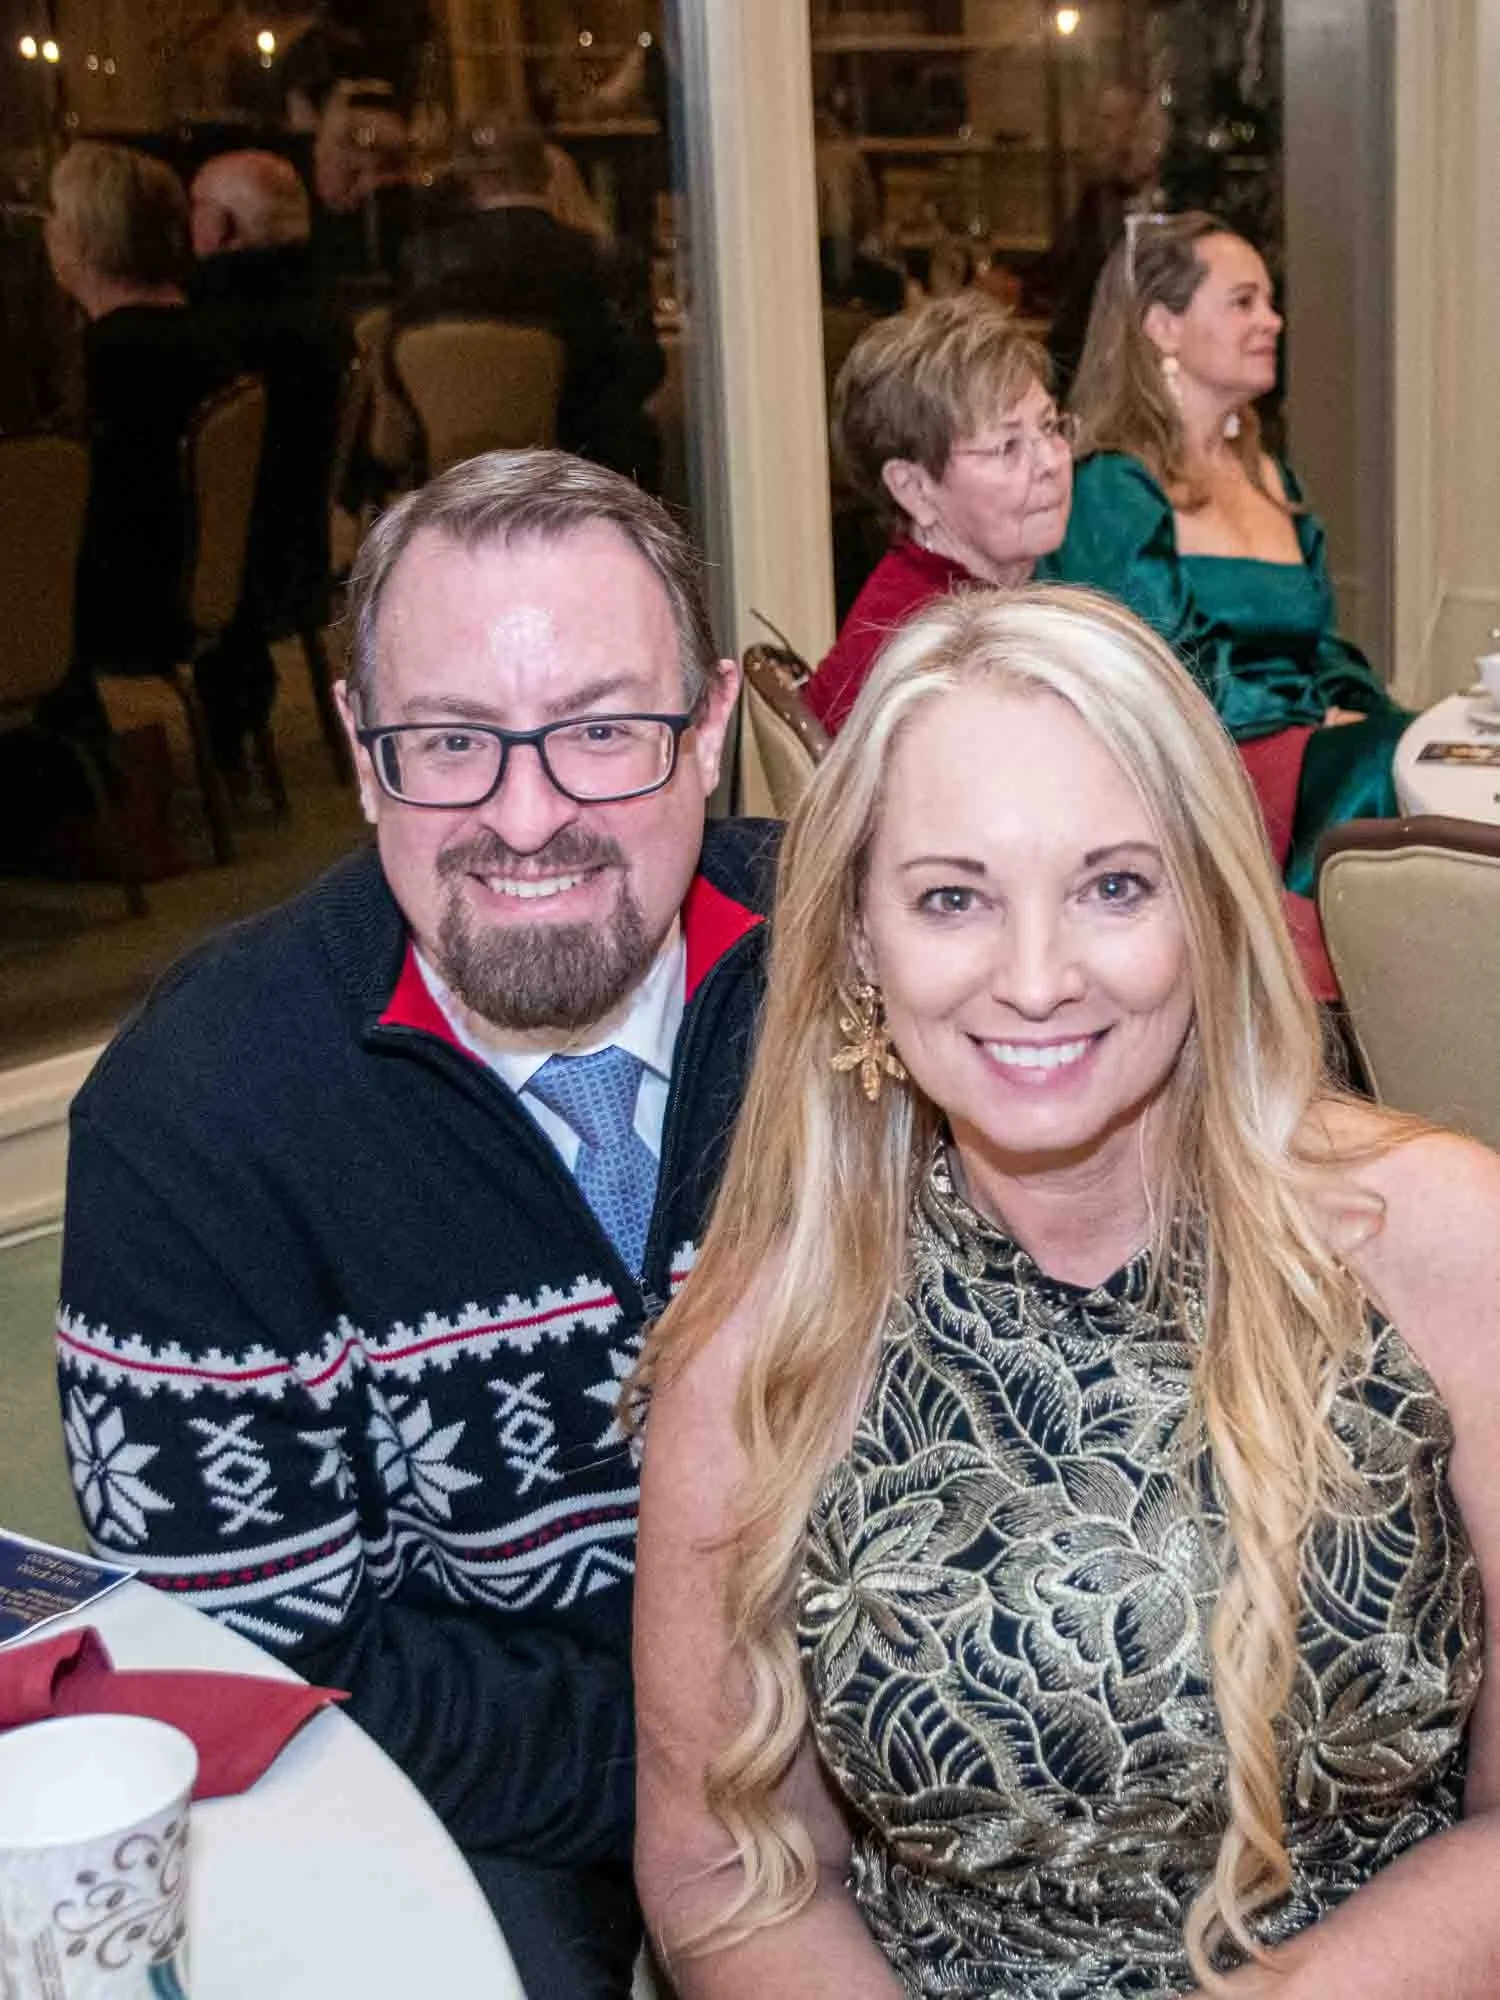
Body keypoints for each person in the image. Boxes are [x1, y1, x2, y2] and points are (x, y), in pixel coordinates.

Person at [634, 585, 1500, 1998]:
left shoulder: (1445, 1243)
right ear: (858, 941)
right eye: (953, 897)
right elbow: (726, 1867)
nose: (1036, 979)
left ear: (1211, 910)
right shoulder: (763, 1334)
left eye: (1113, 885)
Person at [56, 450, 765, 2000]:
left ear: (710, 727)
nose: (528, 819)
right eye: (450, 742)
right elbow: (276, 1653)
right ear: (362, 756)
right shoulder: (195, 1115)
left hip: (909, 1718)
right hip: (475, 1808)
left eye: (602, 733)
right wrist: (723, 1779)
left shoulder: (870, 991)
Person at [1050, 210, 1410, 896]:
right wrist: (1314, 721)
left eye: (1270, 303)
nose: (1272, 321)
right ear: (1162, 326)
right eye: (1244, 302)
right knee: (1382, 764)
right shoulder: (1113, 484)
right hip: (1194, 776)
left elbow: (1322, 649)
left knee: (1426, 747)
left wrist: (1372, 712)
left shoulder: (1273, 478)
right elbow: (1156, 671)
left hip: (1307, 756)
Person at [804, 292, 1074, 734]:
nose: (1051, 461)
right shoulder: (939, 652)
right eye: (1007, 446)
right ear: (913, 489)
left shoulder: (952, 599)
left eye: (1049, 426)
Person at [41, 142, 234, 743]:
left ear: (82, 237)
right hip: (196, 588)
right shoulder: (211, 336)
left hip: (123, 603)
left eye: (53, 213)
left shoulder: (104, 364)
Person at [189, 149, 353, 778]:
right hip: (298, 553)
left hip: (238, 568)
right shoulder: (321, 305)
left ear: (226, 227)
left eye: (196, 208)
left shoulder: (215, 323)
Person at [396, 118, 664, 489]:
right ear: (545, 173)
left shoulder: (423, 258)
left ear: (468, 181)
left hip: (453, 480)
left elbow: (396, 374)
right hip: (581, 468)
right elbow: (644, 367)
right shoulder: (598, 256)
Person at [1043, 83, 1168, 399]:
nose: (1099, 132)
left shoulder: (1167, 208)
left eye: (1111, 120)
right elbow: (1060, 269)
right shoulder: (1098, 198)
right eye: (1097, 120)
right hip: (1082, 360)